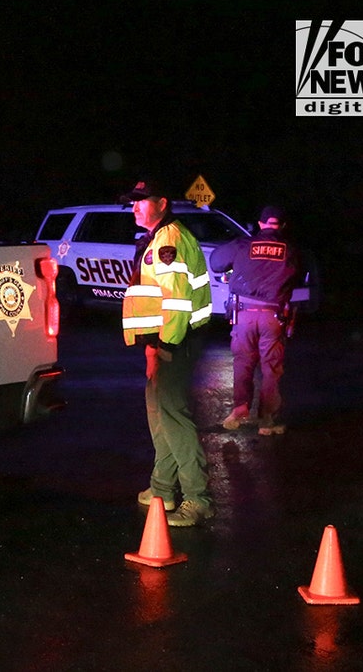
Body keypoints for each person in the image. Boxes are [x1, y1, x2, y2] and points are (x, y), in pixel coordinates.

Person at [121, 179, 215, 527]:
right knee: (160, 415)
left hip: (175, 342)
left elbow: (175, 301)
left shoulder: (169, 240)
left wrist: (164, 347)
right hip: (165, 342)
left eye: (140, 202)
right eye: (132, 202)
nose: (134, 208)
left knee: (173, 417)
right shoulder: (160, 237)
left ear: (162, 203)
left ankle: (198, 499)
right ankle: (162, 488)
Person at [210, 205, 301, 436]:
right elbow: (300, 276)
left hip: (243, 315)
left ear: (260, 224)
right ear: (282, 226)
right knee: (271, 367)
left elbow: (216, 262)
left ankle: (240, 408)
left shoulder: (243, 244)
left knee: (243, 362)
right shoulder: (292, 250)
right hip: (274, 316)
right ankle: (267, 421)